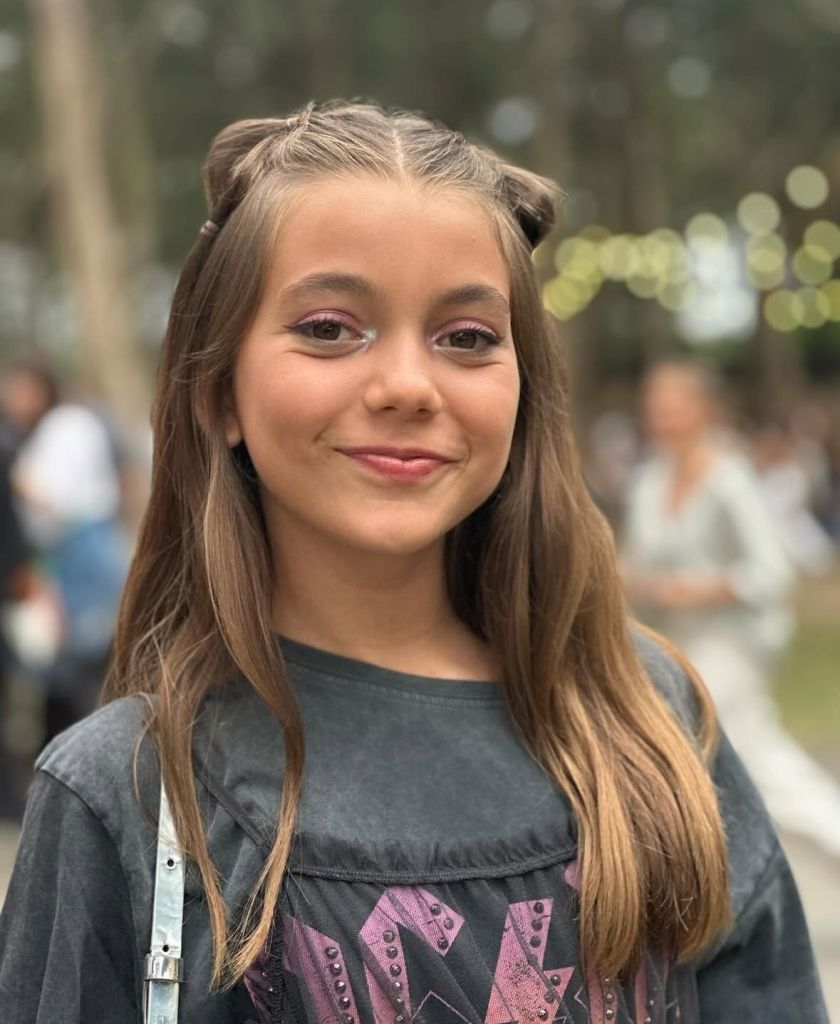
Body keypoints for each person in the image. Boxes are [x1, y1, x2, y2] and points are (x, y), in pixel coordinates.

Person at [0, 100, 828, 1023]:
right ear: (218, 391)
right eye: (328, 328)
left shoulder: (647, 722)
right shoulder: (126, 795)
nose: (406, 386)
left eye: (467, 338)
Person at [622, 358, 840, 860]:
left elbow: (771, 573)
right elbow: (635, 565)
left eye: (672, 406)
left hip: (731, 642)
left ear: (703, 408)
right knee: (695, 759)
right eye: (654, 406)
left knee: (749, 754)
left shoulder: (729, 478)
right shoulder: (649, 480)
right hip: (673, 646)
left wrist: (694, 589)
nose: (660, 417)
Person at [0, 359, 131, 743]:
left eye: (22, 389)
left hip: (80, 550)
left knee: (80, 663)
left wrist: (13, 478)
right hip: (78, 548)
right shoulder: (58, 426)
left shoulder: (65, 426)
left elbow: (52, 498)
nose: (13, 399)